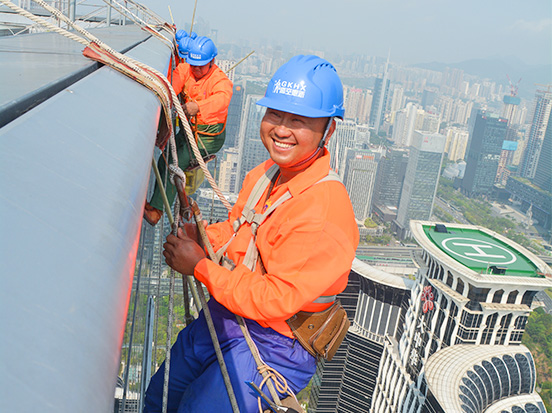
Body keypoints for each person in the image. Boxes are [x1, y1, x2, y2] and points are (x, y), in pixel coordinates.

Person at [143, 55, 359, 412]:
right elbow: (240, 232)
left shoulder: (322, 213)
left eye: (299, 121)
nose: (282, 129)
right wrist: (202, 236)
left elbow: (275, 299)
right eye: (275, 114)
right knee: (160, 397)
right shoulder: (267, 174)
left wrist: (200, 266)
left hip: (276, 342)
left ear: (328, 131)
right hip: (228, 311)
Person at [144, 35, 233, 226]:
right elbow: (171, 87)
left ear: (212, 62)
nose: (197, 69)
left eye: (201, 66)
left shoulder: (219, 80)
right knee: (165, 159)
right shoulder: (187, 70)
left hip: (208, 137)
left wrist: (198, 106)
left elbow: (222, 99)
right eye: (194, 65)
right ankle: (155, 204)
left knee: (175, 164)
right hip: (188, 130)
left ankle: (157, 212)